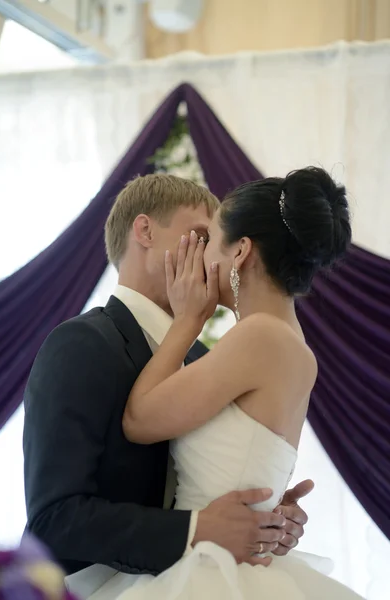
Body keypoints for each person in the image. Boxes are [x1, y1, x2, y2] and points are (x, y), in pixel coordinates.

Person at [23, 175, 310, 599]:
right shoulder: (82, 344)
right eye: (200, 237)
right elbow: (52, 520)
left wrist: (263, 517)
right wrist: (195, 530)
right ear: (144, 231)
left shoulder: (206, 361)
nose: (214, 258)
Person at [89, 167, 364, 599]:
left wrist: (187, 322)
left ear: (240, 252)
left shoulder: (260, 336)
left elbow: (139, 420)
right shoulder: (284, 338)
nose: (200, 258)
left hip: (212, 574)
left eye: (211, 240)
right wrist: (271, 512)